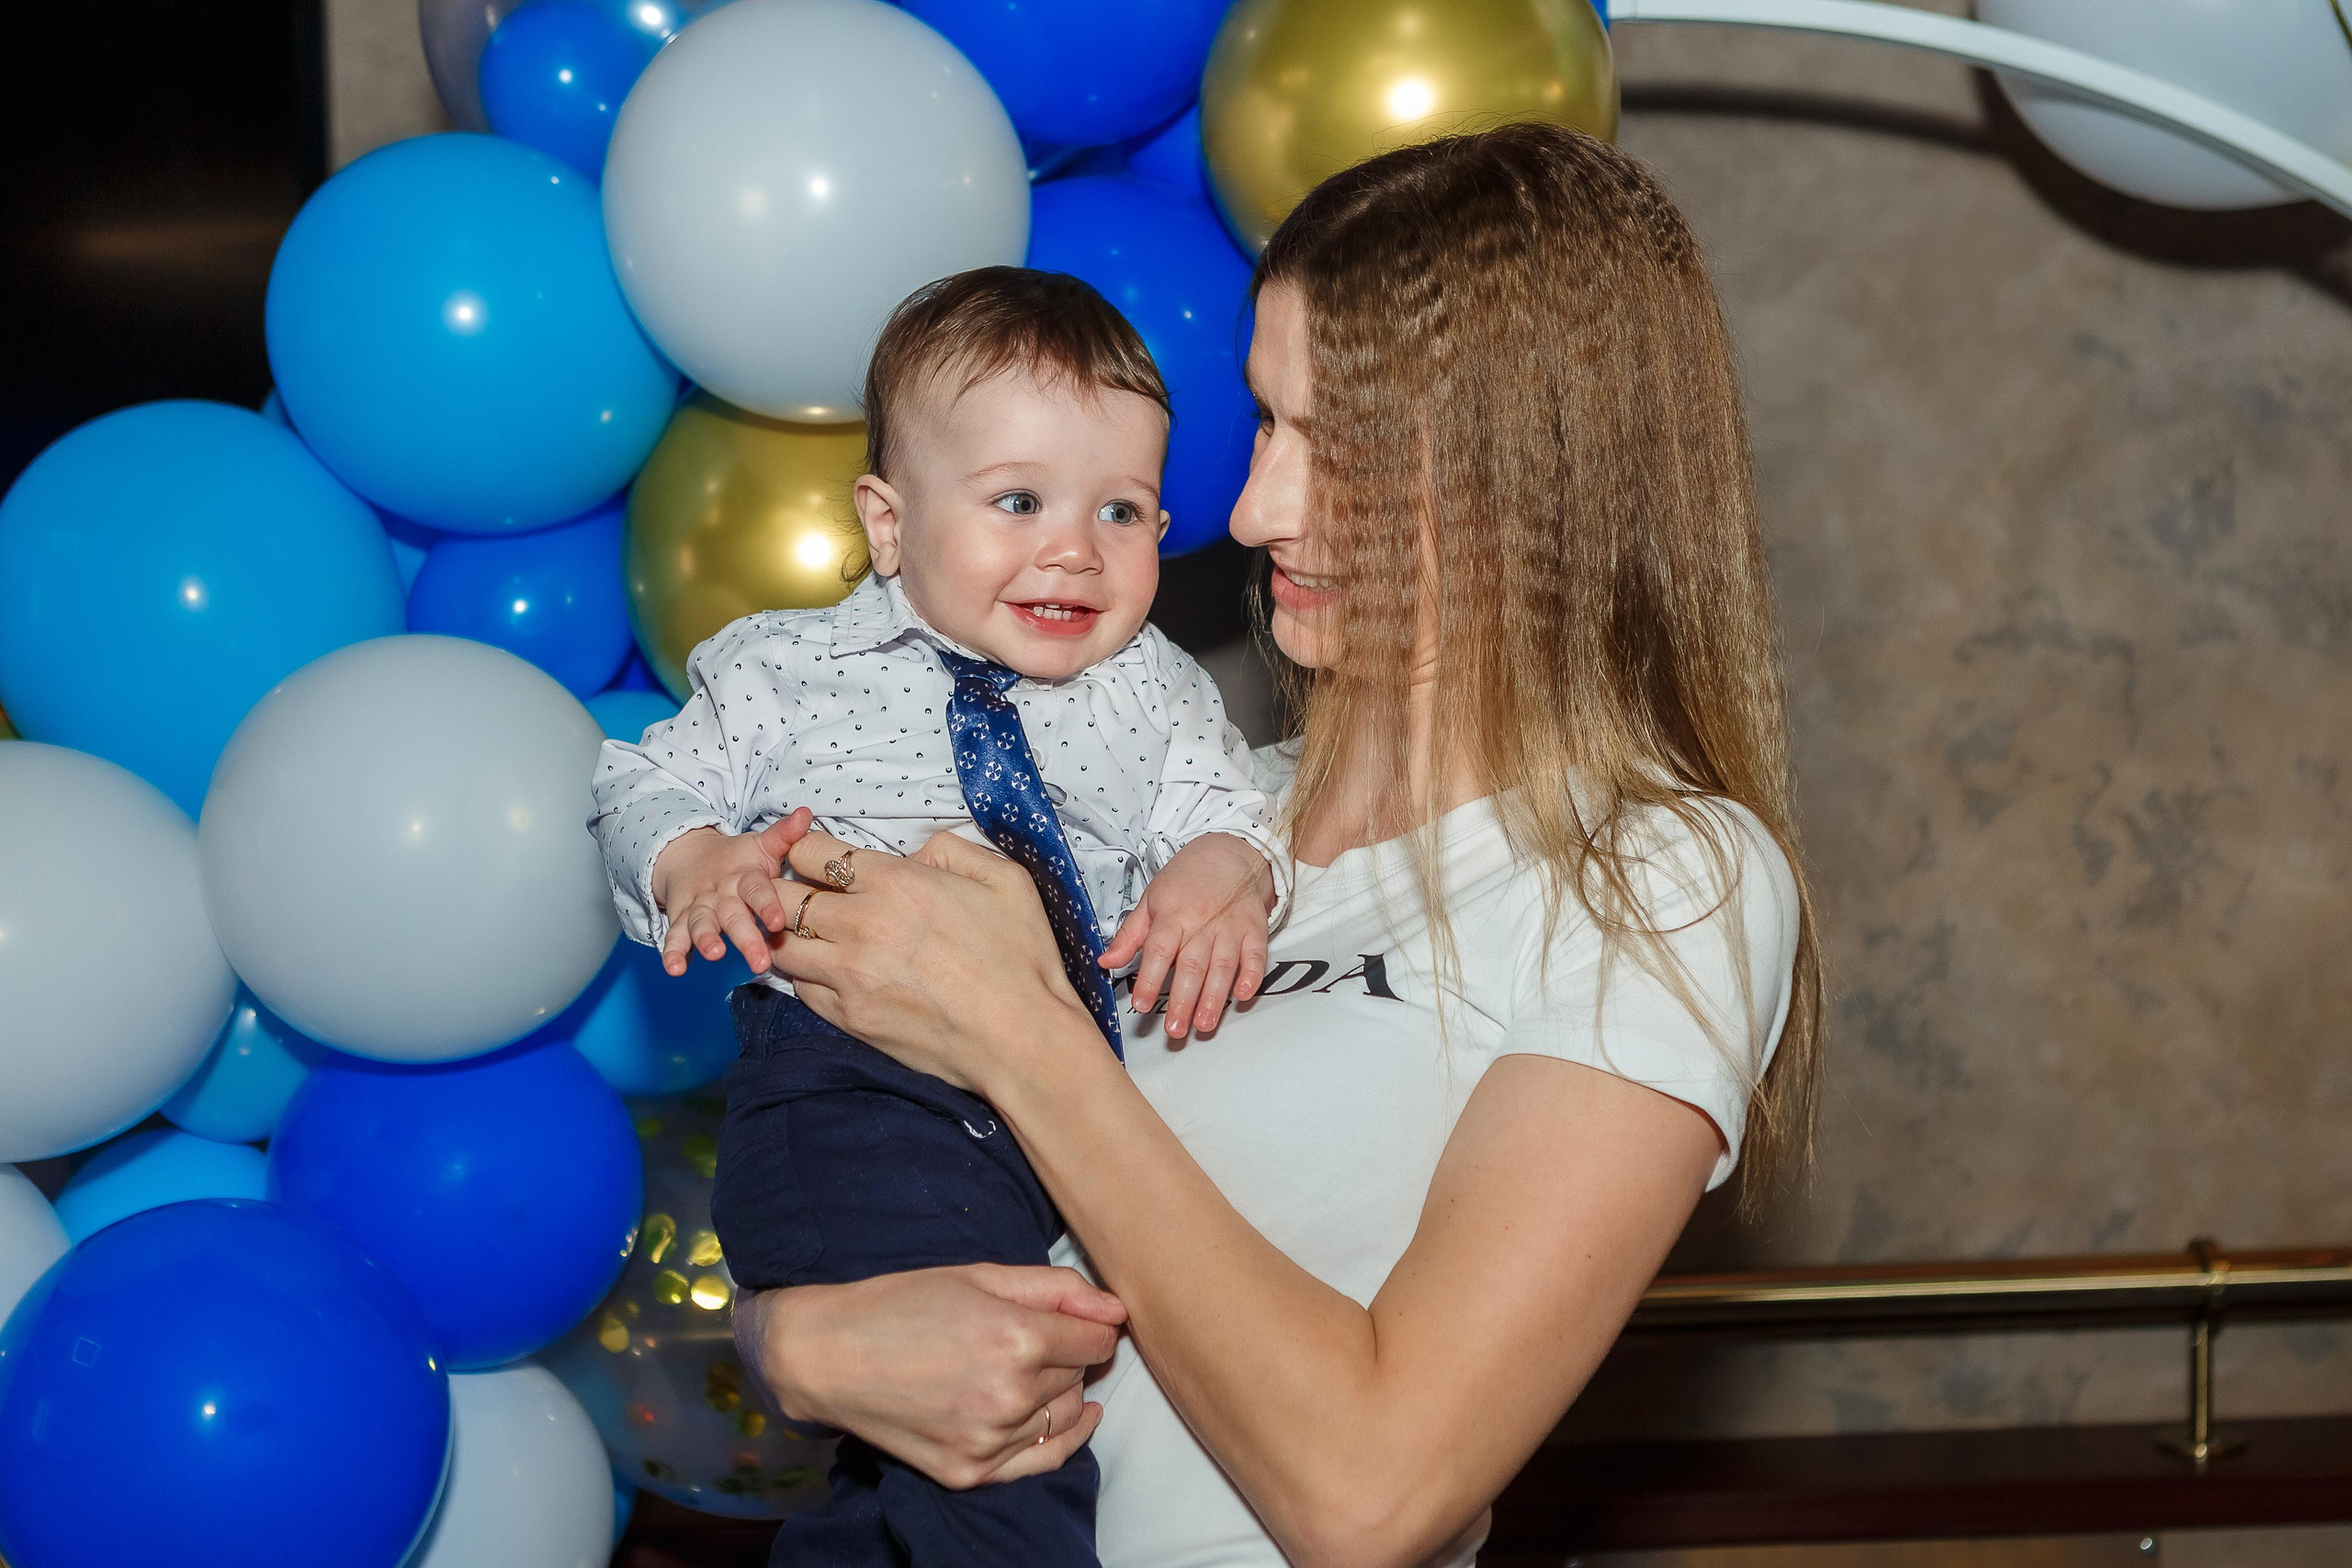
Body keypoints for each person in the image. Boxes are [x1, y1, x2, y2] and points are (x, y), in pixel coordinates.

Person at [732, 121, 1829, 1568]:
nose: (1257, 512)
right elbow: (880, 1165)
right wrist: (799, 1346)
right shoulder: (1184, 807)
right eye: (1263, 422)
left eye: (1349, 449)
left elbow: (1371, 1498)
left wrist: (1028, 1035)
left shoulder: (1658, 873)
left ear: (1539, 478)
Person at [587, 267, 1292, 1565]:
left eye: (1122, 510)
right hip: (854, 1093)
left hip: (1052, 1117)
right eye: (1018, 501)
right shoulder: (785, 668)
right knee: (1012, 1420)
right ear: (890, 520)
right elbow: (640, 779)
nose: (1074, 548)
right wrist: (695, 859)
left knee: (890, 1478)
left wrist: (1219, 871)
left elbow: (1235, 812)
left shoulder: (1156, 691)